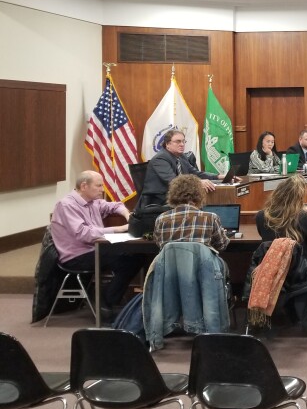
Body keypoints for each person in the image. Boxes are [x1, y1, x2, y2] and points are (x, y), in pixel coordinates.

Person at [49, 171, 145, 318]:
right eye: (98, 186)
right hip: (77, 255)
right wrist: (118, 229)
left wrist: (127, 215)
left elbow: (115, 206)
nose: (102, 189)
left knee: (136, 256)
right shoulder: (67, 205)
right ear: (84, 186)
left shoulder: (92, 201)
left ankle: (109, 300)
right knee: (128, 261)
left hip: (95, 248)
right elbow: (84, 234)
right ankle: (106, 304)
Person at [255, 174, 307, 266]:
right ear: (299, 198)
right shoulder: (302, 216)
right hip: (300, 272)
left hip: (272, 270)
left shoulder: (261, 216)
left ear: (277, 193)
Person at [139, 129, 219, 208]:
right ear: (167, 144)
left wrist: (218, 176)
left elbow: (195, 173)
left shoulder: (181, 156)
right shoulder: (160, 159)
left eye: (183, 141)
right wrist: (198, 182)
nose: (182, 144)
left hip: (177, 198)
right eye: (178, 141)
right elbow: (174, 181)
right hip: (159, 201)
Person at [153, 174, 230, 252]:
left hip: (170, 264)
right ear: (199, 194)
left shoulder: (161, 219)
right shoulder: (211, 218)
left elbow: (159, 244)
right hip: (202, 264)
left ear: (172, 194)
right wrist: (222, 232)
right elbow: (221, 245)